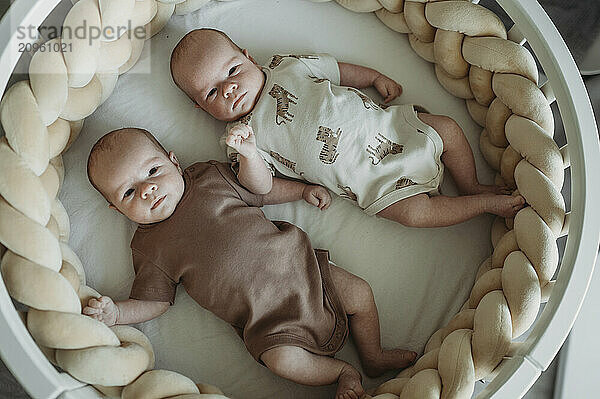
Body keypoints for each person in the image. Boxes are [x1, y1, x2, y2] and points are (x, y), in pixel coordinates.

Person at [83, 127, 417, 399]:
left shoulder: (209, 177)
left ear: (173, 160)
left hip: (304, 270)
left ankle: (373, 355)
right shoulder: (147, 246)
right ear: (116, 209)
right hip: (267, 322)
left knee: (359, 293)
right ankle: (344, 373)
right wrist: (118, 313)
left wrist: (293, 187)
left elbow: (259, 190)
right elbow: (153, 301)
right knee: (282, 361)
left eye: (152, 171)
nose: (147, 190)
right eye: (128, 193)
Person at [169, 28, 525, 227]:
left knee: (446, 129)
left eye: (231, 71)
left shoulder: (286, 66)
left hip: (394, 129)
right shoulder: (242, 139)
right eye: (212, 91)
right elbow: (261, 186)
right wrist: (248, 153)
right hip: (370, 185)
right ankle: (481, 204)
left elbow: (336, 70)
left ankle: (471, 184)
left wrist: (373, 77)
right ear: (202, 108)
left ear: (248, 57)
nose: (228, 88)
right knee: (418, 214)